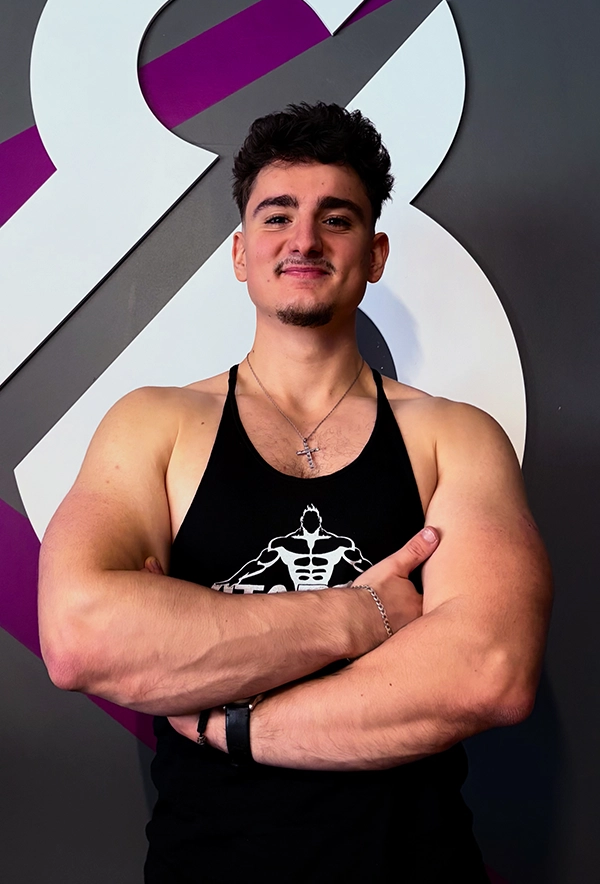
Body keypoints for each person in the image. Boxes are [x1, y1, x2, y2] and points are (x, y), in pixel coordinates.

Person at [38, 102, 552, 882]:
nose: (304, 239)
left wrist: (236, 725)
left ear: (375, 254)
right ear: (240, 253)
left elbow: (490, 670)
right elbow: (83, 636)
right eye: (277, 217)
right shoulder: (155, 425)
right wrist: (363, 614)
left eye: (335, 219)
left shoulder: (454, 436)